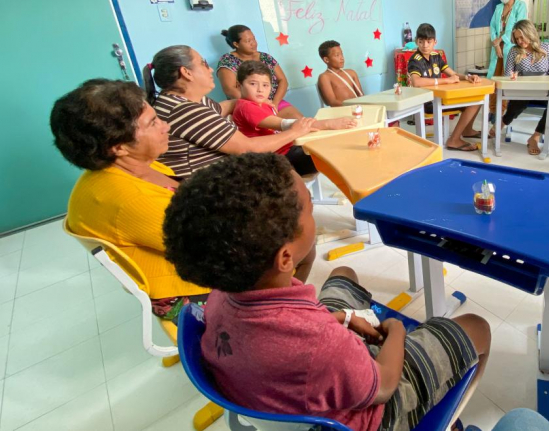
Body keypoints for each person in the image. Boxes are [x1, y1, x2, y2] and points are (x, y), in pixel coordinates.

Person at [162, 153, 491, 431]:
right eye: (308, 209)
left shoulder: (219, 297)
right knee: (477, 327)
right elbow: (386, 383)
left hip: (283, 384)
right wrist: (397, 331)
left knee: (342, 274)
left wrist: (339, 317)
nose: (312, 216)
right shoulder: (321, 344)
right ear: (285, 257)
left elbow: (295, 337)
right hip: (370, 413)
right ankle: (448, 417)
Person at [52, 79, 207, 324]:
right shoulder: (132, 199)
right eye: (153, 122)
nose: (165, 127)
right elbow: (210, 247)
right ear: (119, 147)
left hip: (185, 255)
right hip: (188, 290)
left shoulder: (128, 168)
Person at [144, 45, 316, 179]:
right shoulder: (185, 110)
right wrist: (295, 131)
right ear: (186, 72)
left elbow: (222, 108)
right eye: (204, 64)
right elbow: (248, 148)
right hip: (209, 185)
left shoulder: (183, 100)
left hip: (225, 170)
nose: (210, 69)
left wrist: (247, 102)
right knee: (299, 170)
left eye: (264, 85)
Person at [232, 61, 356, 176]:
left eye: (265, 85)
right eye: (253, 84)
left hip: (287, 151)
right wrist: (329, 123)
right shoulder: (246, 107)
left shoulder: (260, 103)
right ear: (239, 85)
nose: (260, 90)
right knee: (336, 150)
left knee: (331, 145)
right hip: (278, 160)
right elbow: (284, 124)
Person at [407, 23, 485, 152]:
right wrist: (445, 81)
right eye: (421, 42)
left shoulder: (436, 56)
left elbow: (452, 74)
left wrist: (467, 77)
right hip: (427, 102)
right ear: (417, 42)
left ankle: (467, 130)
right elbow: (416, 82)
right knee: (474, 103)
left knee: (478, 98)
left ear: (435, 42)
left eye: (428, 42)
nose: (425, 46)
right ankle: (454, 139)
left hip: (440, 98)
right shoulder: (415, 60)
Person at [496, 20, 549, 156]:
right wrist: (513, 76)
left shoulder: (547, 48)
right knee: (522, 95)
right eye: (517, 39)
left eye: (522, 37)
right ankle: (503, 122)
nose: (520, 41)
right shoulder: (514, 51)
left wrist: (546, 81)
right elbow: (506, 75)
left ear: (530, 33)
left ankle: (535, 136)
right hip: (523, 92)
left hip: (544, 93)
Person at [217, 25, 303, 118]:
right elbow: (230, 90)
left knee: (299, 120)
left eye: (254, 39)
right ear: (236, 44)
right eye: (248, 41)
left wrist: (274, 103)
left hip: (274, 102)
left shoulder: (266, 57)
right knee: (271, 128)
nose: (253, 43)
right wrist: (261, 103)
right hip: (248, 105)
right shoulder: (227, 61)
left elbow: (283, 81)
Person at [488, 0, 528, 115]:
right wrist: (495, 43)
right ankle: (492, 110)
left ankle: (504, 111)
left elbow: (517, 28)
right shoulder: (499, 8)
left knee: (507, 79)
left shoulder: (520, 6)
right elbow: (493, 26)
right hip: (497, 48)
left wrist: (502, 40)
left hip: (511, 47)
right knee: (494, 78)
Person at [316, 40, 365, 107]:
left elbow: (361, 95)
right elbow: (332, 102)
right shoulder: (325, 77)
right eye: (337, 55)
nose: (342, 58)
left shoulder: (351, 73)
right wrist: (353, 106)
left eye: (342, 54)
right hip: (340, 111)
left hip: (358, 109)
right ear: (326, 60)